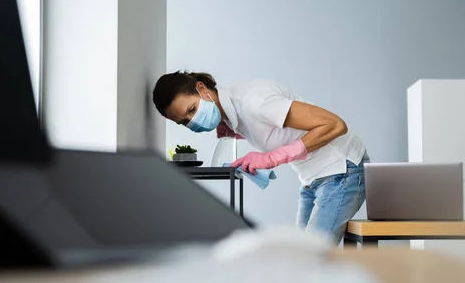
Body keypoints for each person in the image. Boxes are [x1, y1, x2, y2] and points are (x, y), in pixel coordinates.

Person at [152, 71, 369, 244]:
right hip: (312, 179)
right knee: (299, 259)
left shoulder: (254, 100)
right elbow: (274, 129)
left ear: (202, 88)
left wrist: (271, 158)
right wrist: (236, 132)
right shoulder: (231, 111)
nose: (193, 120)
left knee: (310, 261)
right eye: (185, 121)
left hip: (341, 170)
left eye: (192, 109)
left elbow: (334, 125)